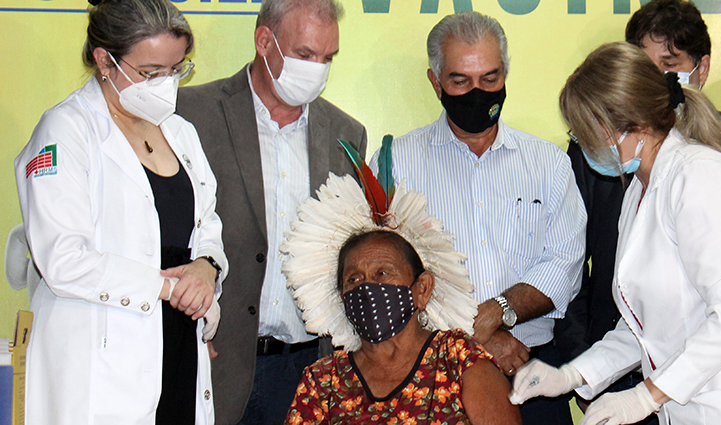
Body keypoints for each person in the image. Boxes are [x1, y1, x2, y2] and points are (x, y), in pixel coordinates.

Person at [512, 42, 721, 425]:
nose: (581, 146)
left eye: (584, 133)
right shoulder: (638, 190)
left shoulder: (700, 178)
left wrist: (645, 396)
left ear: (632, 124)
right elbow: (645, 328)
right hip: (686, 411)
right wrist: (573, 375)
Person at [14, 0, 228, 423]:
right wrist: (167, 289)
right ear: (104, 61)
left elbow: (208, 225)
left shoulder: (180, 131)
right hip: (98, 360)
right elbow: (62, 259)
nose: (165, 84)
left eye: (176, 69)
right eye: (150, 73)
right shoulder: (66, 131)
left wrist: (207, 267)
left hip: (179, 346)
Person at [369, 11, 586, 425]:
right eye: (460, 81)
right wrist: (480, 336)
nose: (477, 92)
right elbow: (385, 277)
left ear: (505, 73)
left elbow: (565, 264)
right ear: (435, 82)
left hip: (531, 371)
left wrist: (498, 312)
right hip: (430, 380)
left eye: (490, 79)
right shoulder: (395, 163)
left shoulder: (549, 164)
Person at [175, 0, 367, 423]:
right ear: (265, 40)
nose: (317, 69)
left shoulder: (346, 134)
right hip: (213, 357)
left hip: (306, 370)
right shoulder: (190, 115)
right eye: (304, 54)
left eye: (327, 57)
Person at [280, 170, 521, 425]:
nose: (367, 287)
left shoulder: (458, 359)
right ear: (342, 298)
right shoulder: (323, 381)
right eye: (354, 279)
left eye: (382, 273)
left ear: (422, 288)